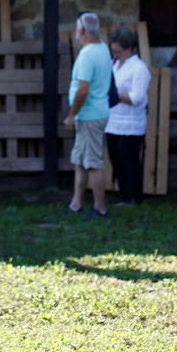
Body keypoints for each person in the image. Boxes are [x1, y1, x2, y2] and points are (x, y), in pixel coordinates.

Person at [63, 11, 113, 217]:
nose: (76, 31)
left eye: (77, 27)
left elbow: (83, 89)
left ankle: (100, 208)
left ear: (82, 30)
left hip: (90, 115)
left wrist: (71, 115)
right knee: (80, 161)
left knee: (92, 163)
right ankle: (76, 204)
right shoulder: (102, 49)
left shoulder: (87, 54)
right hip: (93, 114)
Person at [105, 26, 152, 206]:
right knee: (116, 160)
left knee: (130, 161)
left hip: (130, 123)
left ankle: (134, 196)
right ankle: (123, 195)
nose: (115, 54)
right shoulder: (114, 64)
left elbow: (138, 97)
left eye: (118, 51)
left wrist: (114, 95)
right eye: (113, 51)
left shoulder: (139, 68)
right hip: (113, 120)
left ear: (129, 48)